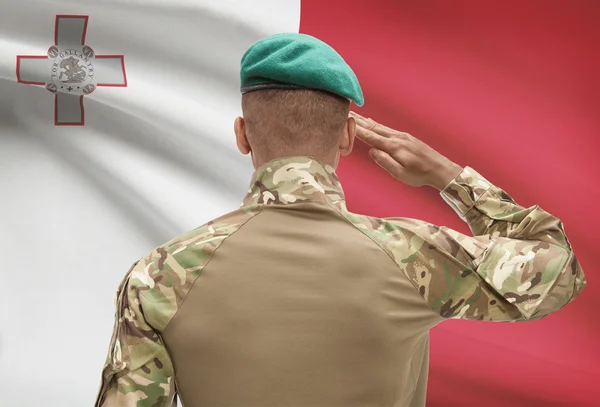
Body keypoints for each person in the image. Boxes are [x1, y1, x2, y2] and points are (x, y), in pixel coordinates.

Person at [94, 33, 586, 407]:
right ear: (349, 136)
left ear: (242, 135)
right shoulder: (415, 256)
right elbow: (559, 268)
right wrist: (447, 174)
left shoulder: (158, 276)